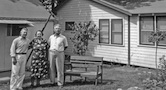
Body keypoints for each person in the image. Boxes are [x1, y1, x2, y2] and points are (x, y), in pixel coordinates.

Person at [48, 24, 68, 88]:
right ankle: (52, 82)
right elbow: (49, 44)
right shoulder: (51, 37)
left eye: (59, 28)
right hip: (51, 53)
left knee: (60, 68)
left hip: (60, 53)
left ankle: (60, 83)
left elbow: (66, 46)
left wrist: (60, 51)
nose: (57, 30)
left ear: (60, 30)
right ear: (54, 29)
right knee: (51, 68)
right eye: (56, 28)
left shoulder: (63, 37)